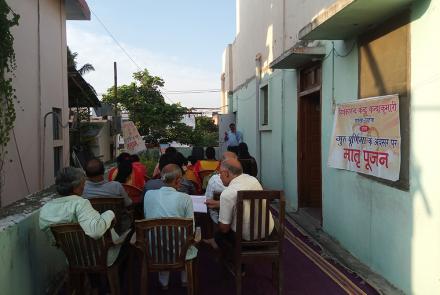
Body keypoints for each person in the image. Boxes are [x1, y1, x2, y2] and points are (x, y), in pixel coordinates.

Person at [39, 167, 125, 266]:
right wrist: (110, 213)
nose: (84, 187)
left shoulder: (46, 209)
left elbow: (54, 241)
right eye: (83, 184)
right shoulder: (80, 204)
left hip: (73, 259)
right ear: (76, 187)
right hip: (101, 256)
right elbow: (95, 231)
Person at [143, 164, 197, 290]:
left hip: (154, 251)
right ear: (178, 180)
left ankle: (164, 282)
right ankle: (184, 279)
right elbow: (192, 230)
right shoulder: (185, 198)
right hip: (181, 252)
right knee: (185, 239)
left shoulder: (149, 195)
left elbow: (148, 217)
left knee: (159, 235)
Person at [205, 159, 274, 249]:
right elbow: (243, 202)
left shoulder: (227, 194)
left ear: (226, 173)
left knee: (219, 235)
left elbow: (224, 229)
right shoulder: (253, 180)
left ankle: (233, 259)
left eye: (220, 173)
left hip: (245, 241)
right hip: (267, 234)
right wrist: (219, 204)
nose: (219, 176)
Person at [204, 151, 237, 224]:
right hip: (238, 223)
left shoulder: (214, 180)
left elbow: (208, 201)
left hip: (218, 221)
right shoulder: (244, 181)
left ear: (221, 164)